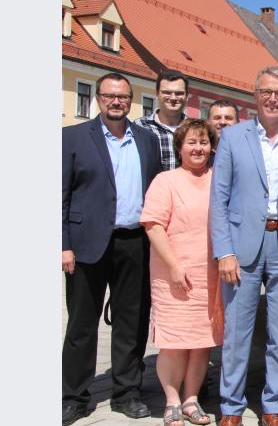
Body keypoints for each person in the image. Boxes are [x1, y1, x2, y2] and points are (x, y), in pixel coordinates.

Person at [210, 67, 278, 426]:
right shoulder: (232, 138)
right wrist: (223, 251)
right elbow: (219, 199)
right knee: (237, 333)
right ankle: (231, 407)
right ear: (255, 95)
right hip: (241, 248)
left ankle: (273, 405)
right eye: (267, 92)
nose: (273, 99)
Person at [62, 72, 162, 425]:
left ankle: (127, 392)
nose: (116, 102)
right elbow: (60, 195)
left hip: (134, 241)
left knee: (131, 321)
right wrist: (63, 245)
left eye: (122, 97)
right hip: (87, 241)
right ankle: (74, 396)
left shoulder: (147, 141)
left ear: (130, 99)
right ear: (99, 99)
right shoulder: (72, 138)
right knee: (82, 324)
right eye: (109, 96)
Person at [141, 118, 223, 426]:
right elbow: (153, 225)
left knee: (202, 341)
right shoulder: (166, 181)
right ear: (180, 148)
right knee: (175, 342)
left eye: (203, 142)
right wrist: (175, 266)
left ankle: (191, 399)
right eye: (192, 142)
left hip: (210, 275)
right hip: (174, 274)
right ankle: (172, 400)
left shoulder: (218, 178)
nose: (198, 148)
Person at [134, 69, 190, 171]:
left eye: (179, 93)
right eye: (167, 92)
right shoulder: (139, 127)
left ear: (187, 96)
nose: (173, 98)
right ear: (157, 94)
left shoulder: (194, 129)